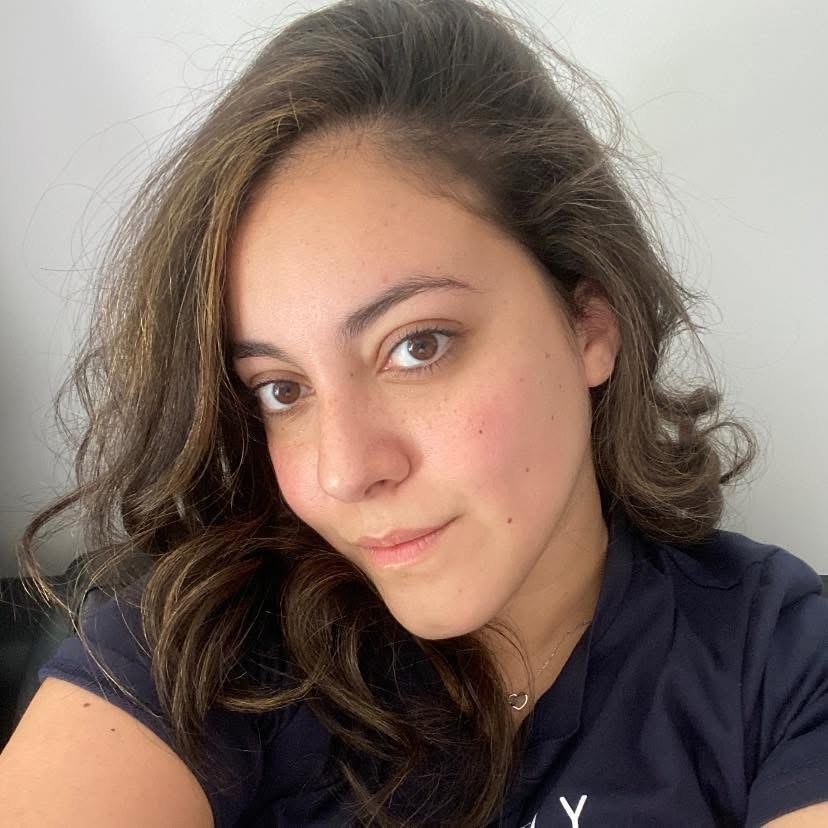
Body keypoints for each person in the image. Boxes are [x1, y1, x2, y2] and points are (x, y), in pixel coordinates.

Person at [1, 0, 826, 824]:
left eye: (417, 345)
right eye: (282, 389)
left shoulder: (779, 663)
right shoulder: (196, 652)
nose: (345, 471)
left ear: (590, 324)